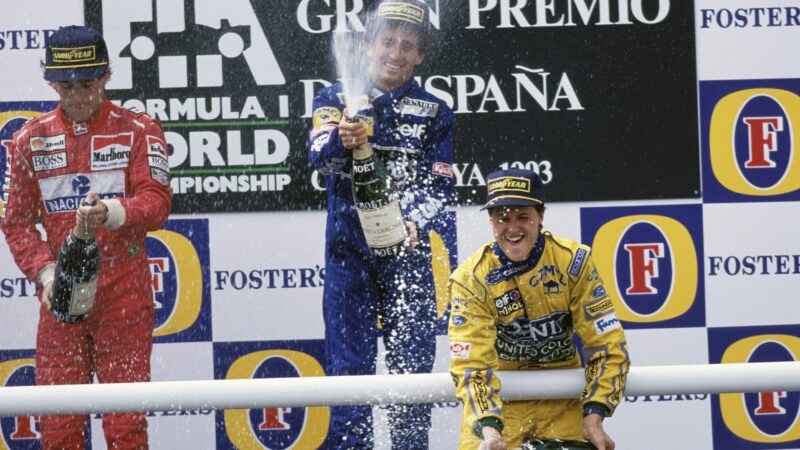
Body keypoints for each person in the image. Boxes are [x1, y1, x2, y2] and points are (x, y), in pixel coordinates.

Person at [0, 25, 172, 449]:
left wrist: (112, 212)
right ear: (51, 82)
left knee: (126, 428)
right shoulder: (28, 140)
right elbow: (17, 221)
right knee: (58, 430)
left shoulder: (139, 129)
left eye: (87, 83)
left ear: (107, 76)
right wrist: (45, 275)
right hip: (61, 297)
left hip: (124, 295)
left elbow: (157, 202)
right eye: (65, 85)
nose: (77, 95)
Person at [307, 0, 455, 448]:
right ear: (369, 44)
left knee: (411, 384)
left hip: (408, 259)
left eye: (407, 45)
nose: (395, 52)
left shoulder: (436, 110)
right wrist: (341, 139)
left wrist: (411, 220)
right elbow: (317, 159)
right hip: (348, 259)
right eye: (387, 40)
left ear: (421, 56)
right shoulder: (336, 99)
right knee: (348, 381)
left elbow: (440, 187)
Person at [447, 169, 630, 450]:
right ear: (491, 221)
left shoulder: (574, 263)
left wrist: (595, 415)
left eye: (523, 217)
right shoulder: (471, 278)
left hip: (561, 407)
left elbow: (608, 347)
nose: (512, 228)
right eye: (502, 218)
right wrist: (490, 430)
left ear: (541, 216)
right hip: (496, 412)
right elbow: (471, 367)